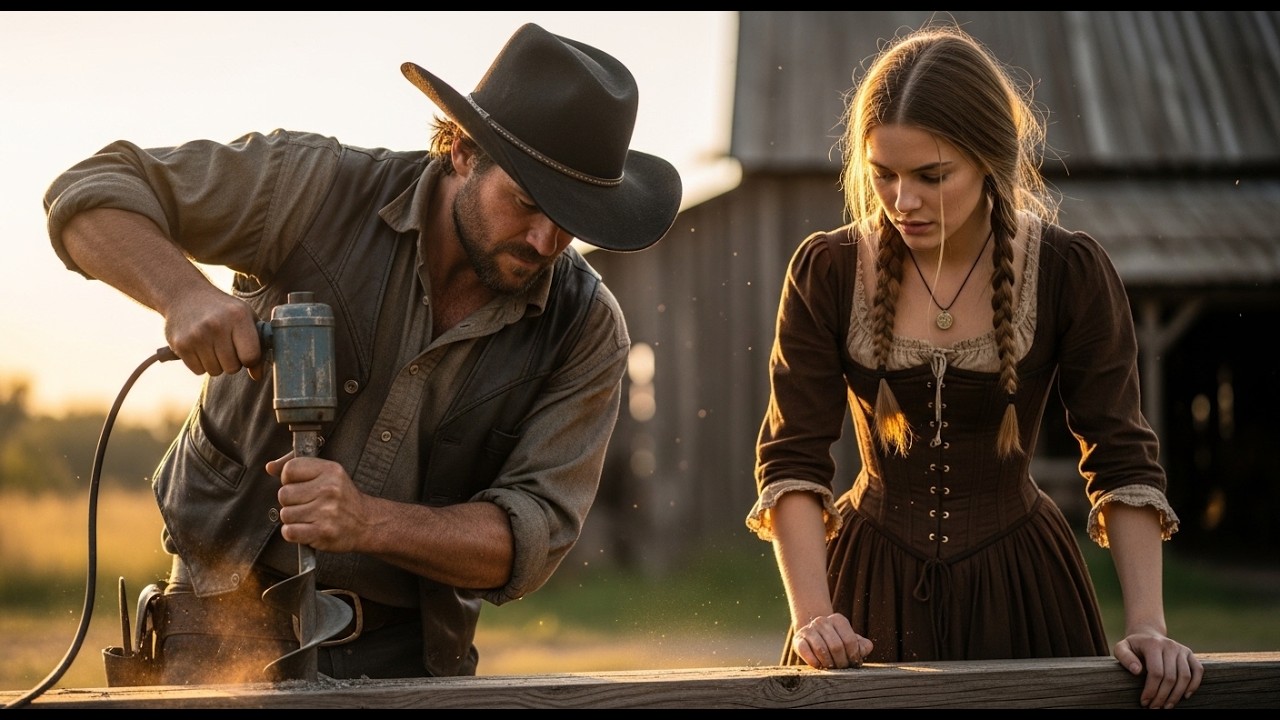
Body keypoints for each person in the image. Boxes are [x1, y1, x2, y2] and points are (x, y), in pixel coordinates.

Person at [43, 23, 681, 684]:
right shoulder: (312, 189)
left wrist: (366, 522)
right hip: (212, 629)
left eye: (570, 219)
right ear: (462, 149)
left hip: (414, 664)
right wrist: (183, 295)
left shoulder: (585, 328)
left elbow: (528, 541)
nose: (547, 241)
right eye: (526, 204)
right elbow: (91, 192)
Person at [744, 23, 1203, 709]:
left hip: (1023, 593)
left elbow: (1122, 456)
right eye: (884, 176)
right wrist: (814, 616)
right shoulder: (830, 271)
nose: (903, 201)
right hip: (865, 595)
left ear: (990, 159)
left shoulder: (1069, 273)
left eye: (931, 176)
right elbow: (792, 459)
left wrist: (1148, 626)